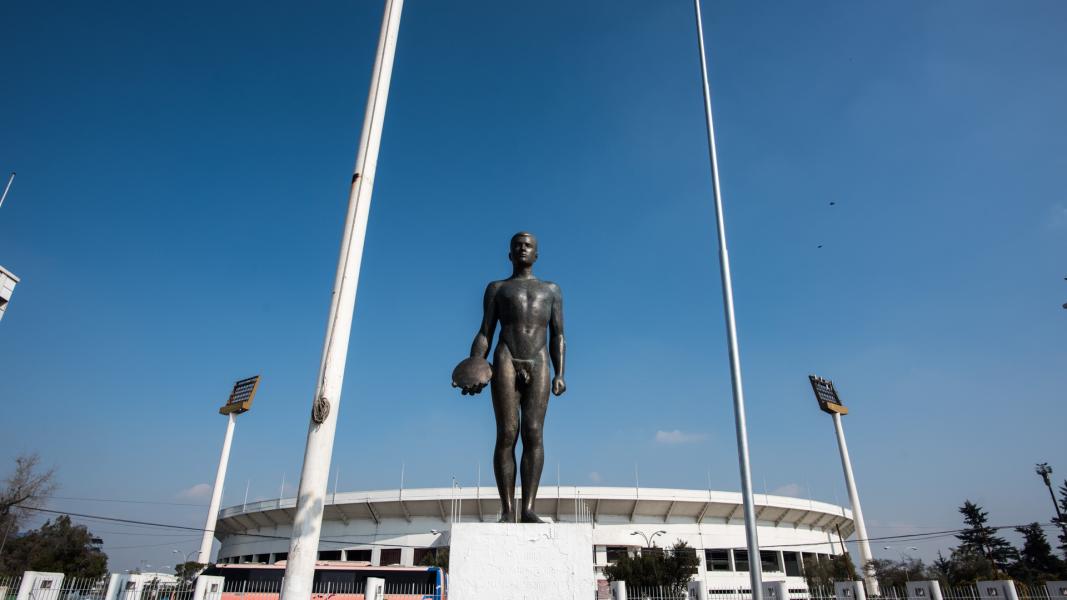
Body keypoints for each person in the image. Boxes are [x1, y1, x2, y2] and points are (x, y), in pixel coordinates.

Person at [460, 232, 566, 523]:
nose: (522, 248)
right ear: (509, 254)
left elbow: (558, 335)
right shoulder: (497, 288)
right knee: (507, 433)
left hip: (539, 360)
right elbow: (485, 332)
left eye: (528, 245)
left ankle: (528, 507)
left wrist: (561, 373)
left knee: (533, 433)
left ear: (536, 254)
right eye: (517, 245)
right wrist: (475, 365)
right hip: (506, 357)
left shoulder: (552, 290)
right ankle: (508, 509)